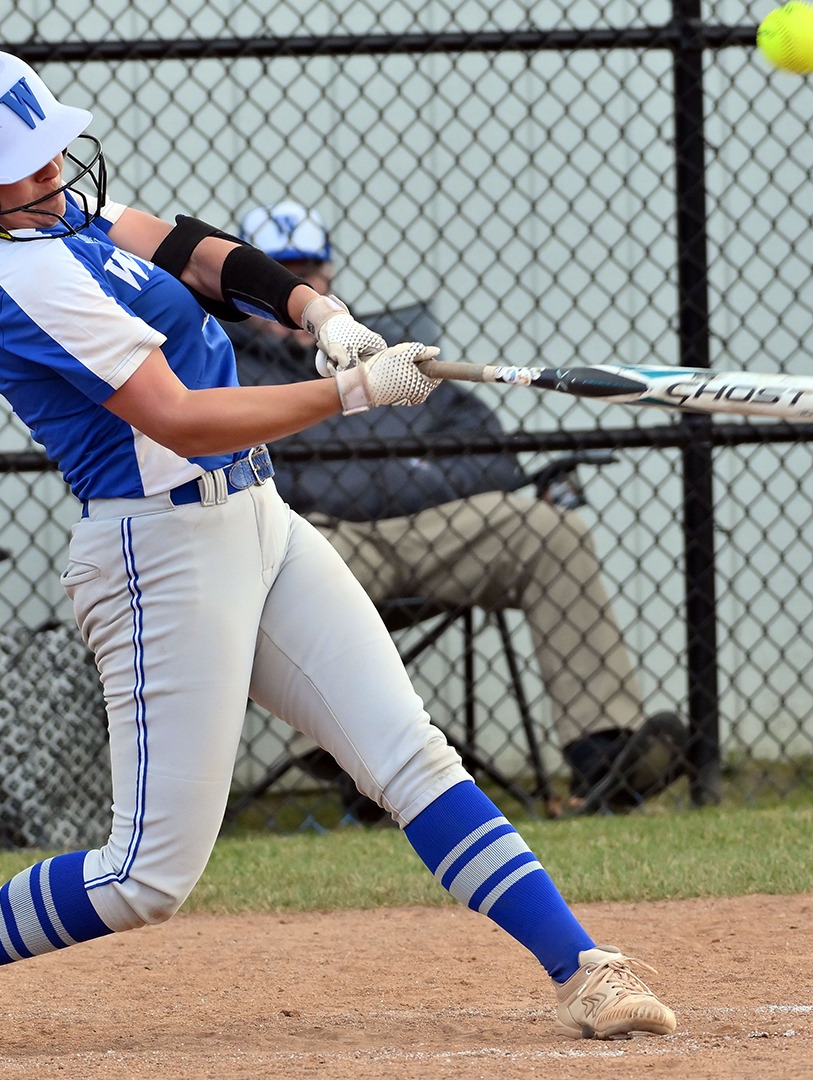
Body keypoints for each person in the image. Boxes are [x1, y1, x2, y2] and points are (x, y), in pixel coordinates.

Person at [0, 47, 675, 1058]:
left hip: (257, 518)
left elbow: (195, 252)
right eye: (23, 168)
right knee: (144, 877)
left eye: (48, 152)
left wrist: (316, 313)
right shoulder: (16, 275)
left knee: (410, 756)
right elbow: (182, 419)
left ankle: (585, 969)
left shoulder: (55, 217)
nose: (53, 172)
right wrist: (351, 392)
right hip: (158, 555)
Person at [226, 202, 688, 821]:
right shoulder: (228, 367)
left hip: (438, 531)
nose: (297, 290)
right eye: (281, 275)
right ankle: (355, 760)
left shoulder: (384, 358)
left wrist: (419, 479)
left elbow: (494, 457)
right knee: (295, 562)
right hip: (328, 537)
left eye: (309, 274)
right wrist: (409, 475)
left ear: (329, 282)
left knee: (550, 531)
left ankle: (606, 759)